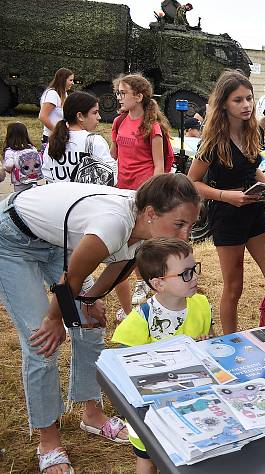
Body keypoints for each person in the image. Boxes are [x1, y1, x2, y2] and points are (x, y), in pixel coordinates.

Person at [0, 173, 200, 474]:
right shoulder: (112, 224)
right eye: (179, 224)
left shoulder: (145, 227)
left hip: (58, 241)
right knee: (41, 342)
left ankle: (92, 415)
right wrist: (55, 318)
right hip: (13, 238)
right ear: (149, 214)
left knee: (91, 330)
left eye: (190, 226)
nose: (184, 235)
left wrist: (90, 301)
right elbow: (73, 279)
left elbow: (119, 266)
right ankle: (48, 442)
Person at [187, 70, 265, 335]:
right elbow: (192, 182)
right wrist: (227, 196)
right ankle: (231, 341)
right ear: (224, 104)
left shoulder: (253, 132)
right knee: (234, 287)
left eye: (249, 98)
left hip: (254, 211)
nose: (247, 105)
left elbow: (253, 171)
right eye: (238, 100)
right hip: (226, 215)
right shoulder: (213, 141)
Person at [111, 237, 212, 474]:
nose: (195, 277)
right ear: (159, 283)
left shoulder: (201, 304)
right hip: (149, 410)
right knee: (148, 458)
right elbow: (123, 375)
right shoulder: (137, 322)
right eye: (185, 273)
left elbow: (212, 342)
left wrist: (207, 345)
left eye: (194, 269)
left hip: (191, 398)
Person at [111, 73, 175, 313]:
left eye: (123, 93)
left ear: (138, 96)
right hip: (122, 189)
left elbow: (159, 166)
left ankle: (145, 283)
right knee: (125, 241)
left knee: (145, 243)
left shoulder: (153, 127)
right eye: (118, 92)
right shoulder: (119, 122)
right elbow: (114, 155)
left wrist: (152, 196)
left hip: (143, 191)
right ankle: (133, 292)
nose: (119, 97)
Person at [42, 91, 117, 185]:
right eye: (95, 113)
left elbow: (47, 174)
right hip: (85, 198)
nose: (99, 117)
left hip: (59, 197)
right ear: (80, 116)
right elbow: (111, 176)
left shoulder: (53, 141)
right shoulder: (95, 141)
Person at [38, 68, 74, 149]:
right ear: (63, 80)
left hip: (60, 138)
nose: (72, 83)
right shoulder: (52, 94)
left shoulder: (64, 94)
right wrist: (57, 132)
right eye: (70, 80)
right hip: (51, 138)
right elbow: (42, 116)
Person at [3, 122, 42, 192]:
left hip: (19, 182)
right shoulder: (32, 148)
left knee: (20, 198)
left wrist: (6, 168)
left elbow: (9, 165)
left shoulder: (10, 151)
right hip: (33, 179)